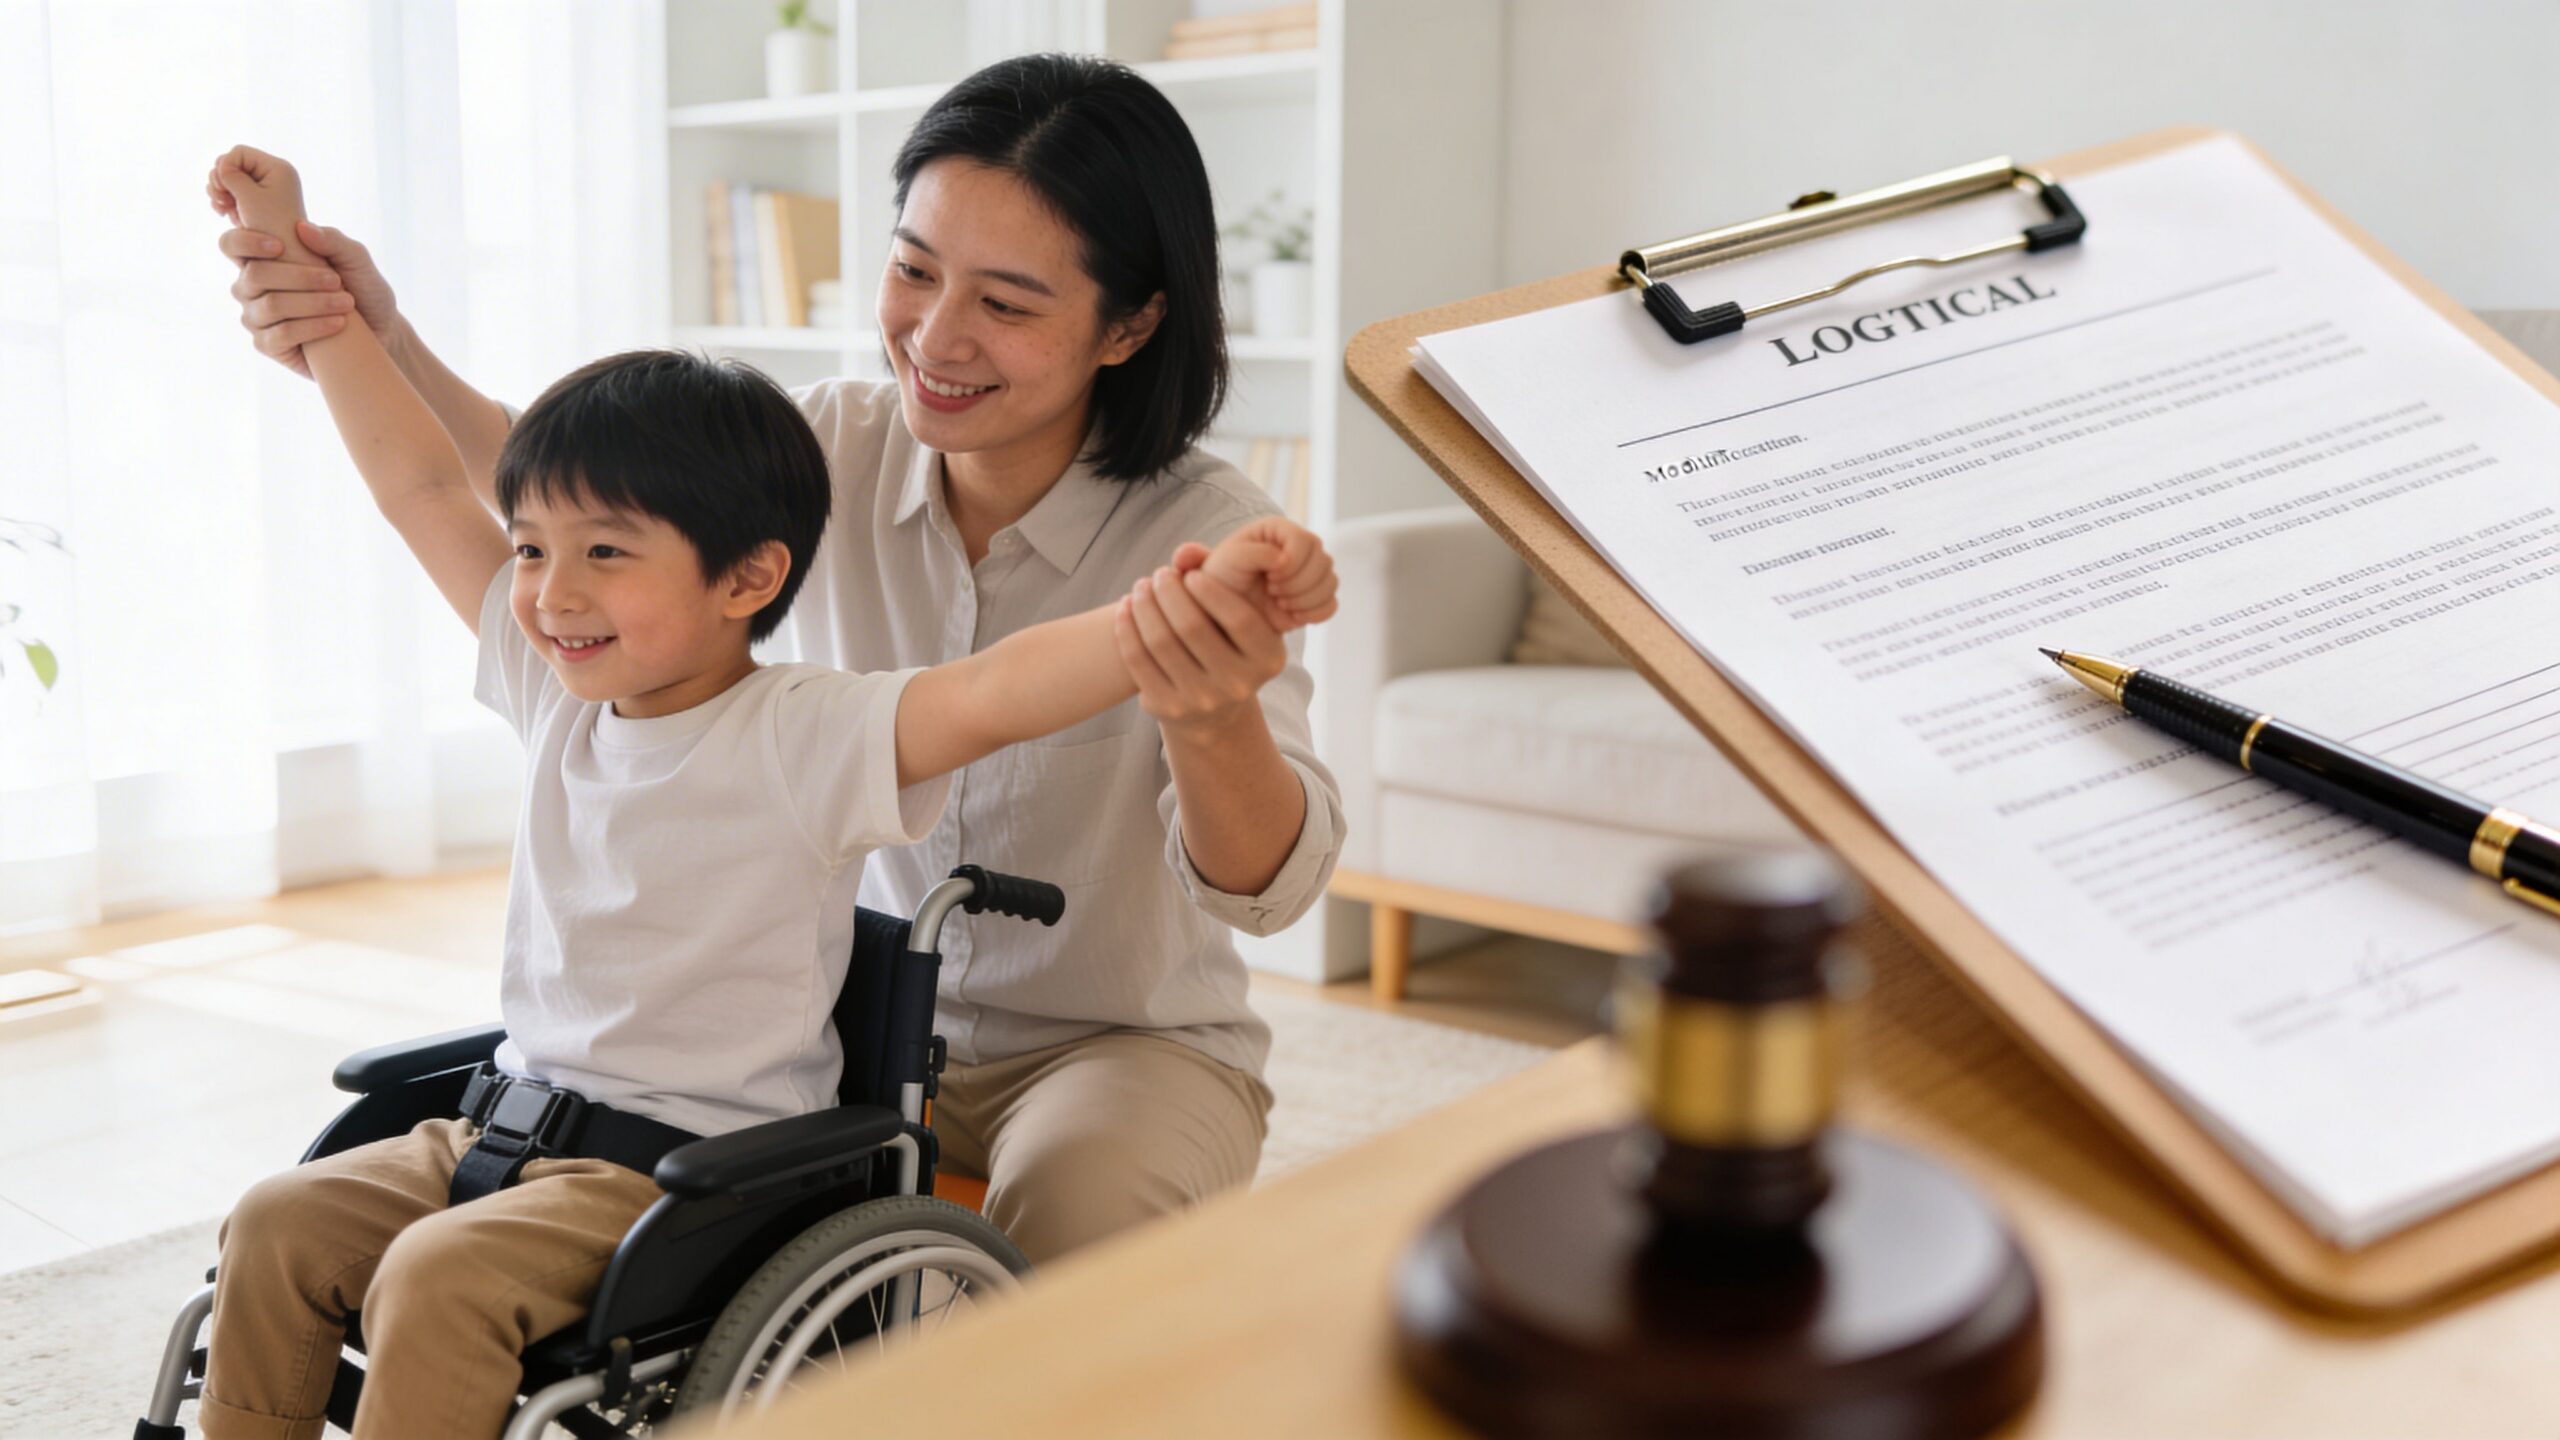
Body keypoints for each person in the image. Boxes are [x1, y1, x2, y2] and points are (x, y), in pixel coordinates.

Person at [197, 144, 1335, 1440]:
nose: (553, 590)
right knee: (277, 1221)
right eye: (530, 553)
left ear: (746, 578)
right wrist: (332, 310)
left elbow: (1002, 685)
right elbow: (426, 484)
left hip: (690, 1164)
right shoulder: (558, 673)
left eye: (1005, 301)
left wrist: (1188, 610)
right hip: (510, 1120)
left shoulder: (807, 733)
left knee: (435, 1282)